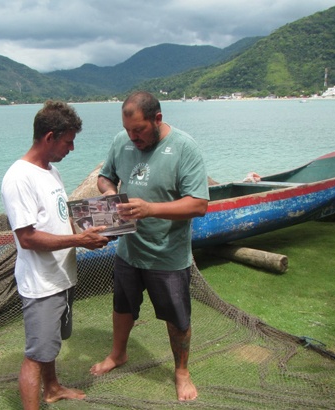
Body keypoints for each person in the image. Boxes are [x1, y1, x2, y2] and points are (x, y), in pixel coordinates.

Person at [89, 91, 209, 401]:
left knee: (177, 317)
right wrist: (109, 194)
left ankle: (181, 371)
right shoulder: (122, 141)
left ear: (157, 119)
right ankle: (118, 354)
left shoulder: (185, 148)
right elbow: (105, 177)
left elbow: (198, 205)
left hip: (167, 255)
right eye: (128, 130)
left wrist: (150, 209)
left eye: (139, 130)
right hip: (129, 250)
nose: (133, 137)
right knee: (123, 305)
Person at [1, 100, 110, 409]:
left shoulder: (51, 171)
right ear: (49, 137)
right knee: (36, 354)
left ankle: (52, 389)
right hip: (41, 283)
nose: (72, 148)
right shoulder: (19, 178)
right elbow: (28, 238)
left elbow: (62, 215)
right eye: (68, 141)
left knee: (51, 344)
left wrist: (105, 223)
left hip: (60, 276)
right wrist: (80, 239)